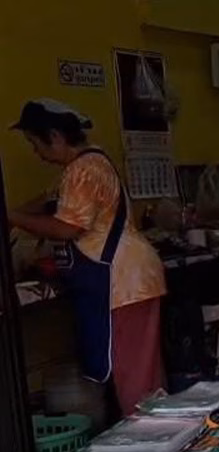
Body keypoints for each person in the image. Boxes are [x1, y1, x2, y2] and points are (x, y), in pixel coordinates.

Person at [7, 99, 167, 419]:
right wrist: (15, 215)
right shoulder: (84, 164)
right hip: (128, 282)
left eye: (34, 143)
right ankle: (158, 434)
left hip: (123, 283)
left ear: (55, 136)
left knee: (136, 379)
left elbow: (66, 229)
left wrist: (11, 217)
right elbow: (47, 200)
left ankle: (154, 440)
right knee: (138, 372)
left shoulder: (84, 170)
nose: (35, 152)